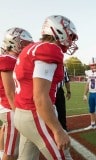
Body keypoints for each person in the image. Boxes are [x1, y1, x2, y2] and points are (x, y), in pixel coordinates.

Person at [13, 15, 78, 160]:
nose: (71, 40)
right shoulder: (50, 49)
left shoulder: (30, 48)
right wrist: (58, 130)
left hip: (21, 113)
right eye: (71, 35)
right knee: (62, 156)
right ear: (59, 31)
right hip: (35, 114)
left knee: (26, 158)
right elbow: (40, 97)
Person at [0, 27, 33, 160]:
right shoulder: (8, 59)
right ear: (14, 43)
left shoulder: (10, 59)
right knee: (12, 151)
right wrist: (18, 113)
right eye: (24, 44)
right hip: (10, 107)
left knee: (5, 132)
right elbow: (10, 91)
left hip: (7, 106)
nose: (26, 47)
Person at [55, 66, 71, 131]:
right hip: (48, 90)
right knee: (48, 109)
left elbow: (66, 81)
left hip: (59, 91)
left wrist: (68, 91)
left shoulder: (63, 68)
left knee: (61, 110)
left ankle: (63, 127)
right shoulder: (46, 64)